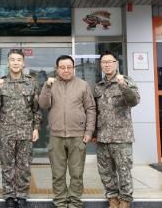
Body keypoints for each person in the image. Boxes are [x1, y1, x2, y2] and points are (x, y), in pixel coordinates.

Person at [38, 55, 96, 208]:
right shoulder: (51, 84)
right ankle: (60, 202)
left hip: (78, 136)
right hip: (56, 136)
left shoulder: (83, 85)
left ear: (73, 68)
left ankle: (75, 202)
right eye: (62, 67)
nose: (66, 70)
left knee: (76, 173)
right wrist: (47, 87)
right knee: (58, 173)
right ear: (57, 69)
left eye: (69, 67)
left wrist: (88, 132)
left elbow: (90, 109)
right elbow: (43, 105)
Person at [0, 49, 42, 208]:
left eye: (19, 60)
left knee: (24, 166)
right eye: (12, 59)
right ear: (8, 63)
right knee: (7, 166)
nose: (16, 62)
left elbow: (36, 109)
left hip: (26, 132)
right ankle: (9, 195)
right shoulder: (0, 82)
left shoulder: (31, 83)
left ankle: (22, 195)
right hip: (7, 133)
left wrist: (36, 128)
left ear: (23, 63)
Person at [93, 51, 140, 208]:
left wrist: (123, 86)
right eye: (104, 62)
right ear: (101, 65)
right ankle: (112, 199)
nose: (107, 65)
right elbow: (95, 112)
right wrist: (94, 133)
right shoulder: (98, 87)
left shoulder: (125, 81)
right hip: (103, 137)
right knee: (105, 171)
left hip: (121, 137)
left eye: (110, 61)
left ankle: (125, 200)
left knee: (124, 170)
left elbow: (134, 101)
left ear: (116, 63)